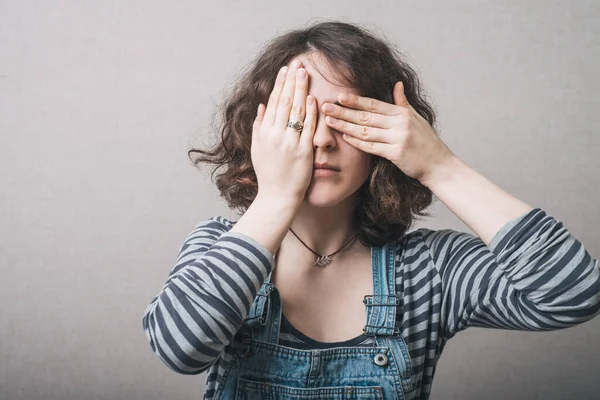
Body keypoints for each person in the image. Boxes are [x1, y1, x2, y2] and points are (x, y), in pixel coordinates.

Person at [141, 21, 600, 399]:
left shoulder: (429, 272)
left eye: (343, 119)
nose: (321, 140)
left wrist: (440, 165)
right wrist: (276, 196)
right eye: (299, 120)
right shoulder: (217, 245)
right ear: (262, 132)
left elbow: (574, 294)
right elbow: (180, 349)